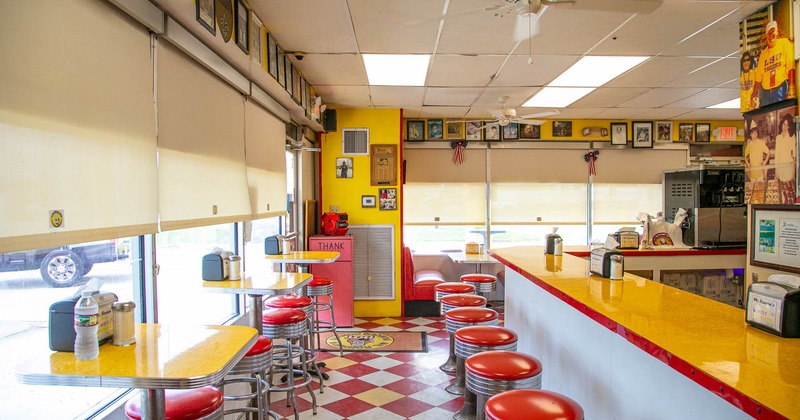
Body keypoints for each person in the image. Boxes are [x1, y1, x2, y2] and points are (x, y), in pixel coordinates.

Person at [751, 20, 795, 107]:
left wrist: (791, 89)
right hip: (766, 93)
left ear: (777, 31)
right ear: (766, 36)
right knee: (766, 118)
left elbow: (791, 67)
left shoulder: (784, 43)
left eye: (773, 31)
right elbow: (758, 79)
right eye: (769, 33)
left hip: (780, 89)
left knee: (781, 116)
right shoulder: (763, 54)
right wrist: (753, 95)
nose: (771, 35)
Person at [774, 113, 796, 191]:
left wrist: (794, 171)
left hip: (788, 167)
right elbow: (777, 155)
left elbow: (794, 154)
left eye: (787, 125)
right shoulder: (778, 138)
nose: (785, 127)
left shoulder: (792, 137)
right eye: (784, 124)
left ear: (789, 126)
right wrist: (776, 172)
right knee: (782, 189)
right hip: (780, 167)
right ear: (781, 124)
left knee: (789, 189)